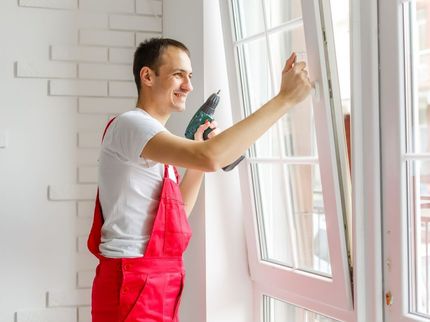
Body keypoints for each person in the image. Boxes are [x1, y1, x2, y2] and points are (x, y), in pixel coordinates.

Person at [87, 37, 312, 322]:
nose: (189, 86)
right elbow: (210, 157)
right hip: (131, 280)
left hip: (157, 278)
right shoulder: (132, 125)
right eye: (178, 74)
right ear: (147, 76)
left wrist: (197, 158)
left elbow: (177, 213)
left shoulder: (156, 143)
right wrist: (285, 99)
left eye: (190, 76)